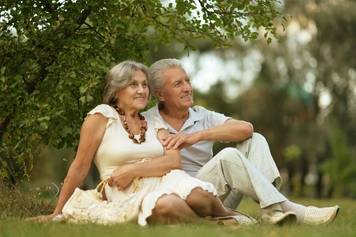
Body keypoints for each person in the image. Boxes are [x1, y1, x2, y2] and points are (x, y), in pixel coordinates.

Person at [30, 60, 256, 226]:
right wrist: (57, 211)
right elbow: (80, 166)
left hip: (165, 179)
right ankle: (214, 226)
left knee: (200, 195)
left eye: (144, 85)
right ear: (117, 90)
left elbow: (174, 160)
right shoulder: (101, 117)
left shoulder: (151, 122)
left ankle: (232, 216)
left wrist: (134, 168)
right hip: (124, 189)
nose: (141, 90)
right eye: (133, 85)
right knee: (168, 206)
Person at [141, 58, 339, 225]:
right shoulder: (148, 121)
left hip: (217, 195)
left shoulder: (201, 115)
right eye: (178, 84)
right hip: (184, 196)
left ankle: (271, 208)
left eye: (188, 81)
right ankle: (286, 210)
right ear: (160, 94)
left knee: (255, 139)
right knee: (228, 156)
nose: (187, 88)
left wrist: (195, 136)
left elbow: (246, 128)